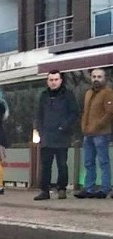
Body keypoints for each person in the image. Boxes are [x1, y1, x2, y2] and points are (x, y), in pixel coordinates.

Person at [35, 70, 79, 201]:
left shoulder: (68, 95)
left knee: (62, 164)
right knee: (46, 165)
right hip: (47, 136)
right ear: (47, 81)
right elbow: (39, 114)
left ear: (60, 80)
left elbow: (74, 113)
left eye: (55, 79)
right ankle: (44, 190)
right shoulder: (43, 95)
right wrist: (39, 130)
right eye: (51, 80)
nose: (53, 82)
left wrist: (63, 126)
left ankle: (62, 189)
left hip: (62, 136)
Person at [76, 68, 113, 199]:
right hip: (88, 133)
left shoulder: (108, 93)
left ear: (104, 79)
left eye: (99, 77)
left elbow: (109, 112)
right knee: (88, 162)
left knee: (103, 162)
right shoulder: (88, 93)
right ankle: (89, 188)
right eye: (94, 76)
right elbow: (85, 111)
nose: (96, 79)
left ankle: (105, 188)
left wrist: (98, 125)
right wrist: (84, 126)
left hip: (102, 133)